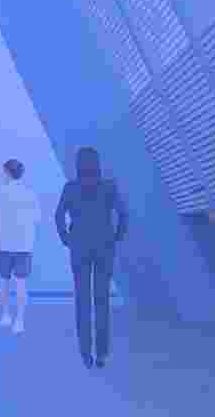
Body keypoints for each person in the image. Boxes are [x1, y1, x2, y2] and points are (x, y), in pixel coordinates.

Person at [56, 147, 130, 369]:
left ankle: (86, 354)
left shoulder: (70, 188)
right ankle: (102, 354)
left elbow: (58, 216)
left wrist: (66, 239)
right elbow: (123, 213)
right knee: (102, 301)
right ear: (97, 163)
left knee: (82, 302)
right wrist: (117, 236)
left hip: (79, 249)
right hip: (105, 248)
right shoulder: (109, 186)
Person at [0, 158, 42, 334]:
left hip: (4, 245)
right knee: (21, 284)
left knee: (5, 283)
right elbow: (37, 219)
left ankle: (5, 315)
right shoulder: (30, 194)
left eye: (3, 172)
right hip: (24, 246)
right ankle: (19, 321)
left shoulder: (0, 193)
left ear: (7, 173)